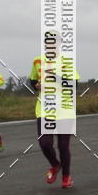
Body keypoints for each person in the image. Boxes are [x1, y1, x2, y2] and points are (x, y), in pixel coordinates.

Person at [29, 49, 79, 187]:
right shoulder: (37, 61)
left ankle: (66, 177)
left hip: (64, 110)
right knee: (44, 143)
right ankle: (56, 165)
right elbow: (32, 80)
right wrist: (36, 85)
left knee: (63, 146)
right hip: (45, 109)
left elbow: (74, 84)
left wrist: (54, 77)